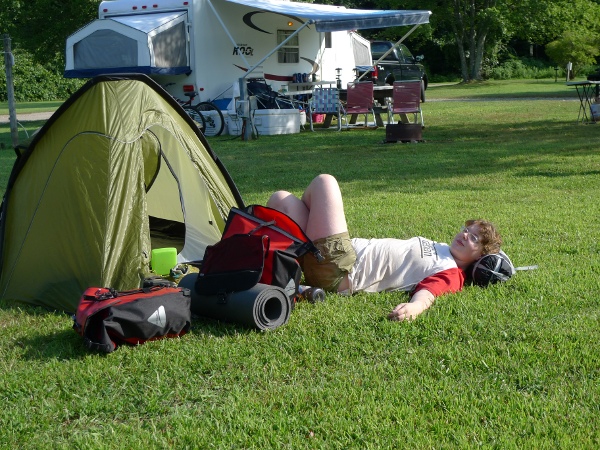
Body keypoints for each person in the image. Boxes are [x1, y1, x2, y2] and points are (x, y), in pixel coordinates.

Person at [266, 174, 502, 321]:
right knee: (280, 200)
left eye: (474, 239)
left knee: (325, 183)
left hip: (342, 270)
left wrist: (415, 308)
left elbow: (430, 292)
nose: (465, 235)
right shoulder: (441, 248)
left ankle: (289, 275)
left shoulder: (451, 272)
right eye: (467, 230)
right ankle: (275, 271)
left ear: (480, 255)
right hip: (335, 256)